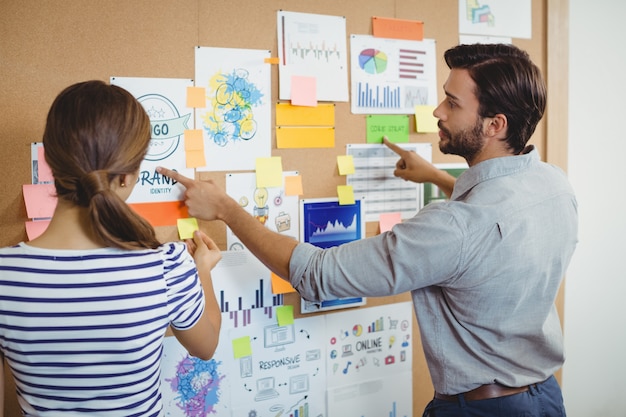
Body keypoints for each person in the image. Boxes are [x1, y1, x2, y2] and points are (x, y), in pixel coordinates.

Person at [157, 43, 578, 417]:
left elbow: (318, 274)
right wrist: (436, 176)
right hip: (545, 398)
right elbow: (488, 223)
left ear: (494, 125)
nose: (437, 112)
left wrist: (228, 209)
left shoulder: (453, 227)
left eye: (452, 103)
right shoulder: (553, 185)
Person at [0, 80, 223, 416]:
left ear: (51, 163)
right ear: (126, 178)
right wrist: (201, 271)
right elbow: (206, 346)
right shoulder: (167, 267)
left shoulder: (4, 276)